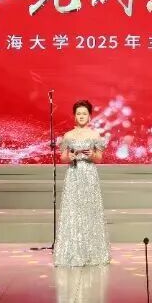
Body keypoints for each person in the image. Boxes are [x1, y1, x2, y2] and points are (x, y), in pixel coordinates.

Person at [54, 99, 111, 267]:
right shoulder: (68, 136)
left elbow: (99, 159)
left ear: (89, 116)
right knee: (73, 212)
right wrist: (69, 157)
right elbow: (63, 157)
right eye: (78, 113)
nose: (81, 116)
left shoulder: (94, 135)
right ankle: (73, 252)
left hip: (89, 175)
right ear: (74, 116)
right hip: (73, 174)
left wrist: (91, 155)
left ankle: (92, 252)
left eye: (84, 113)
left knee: (89, 211)